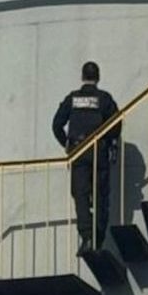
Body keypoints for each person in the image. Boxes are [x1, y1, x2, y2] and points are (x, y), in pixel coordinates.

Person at [52, 61, 120, 253]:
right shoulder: (104, 99)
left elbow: (56, 125)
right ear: (98, 78)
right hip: (99, 152)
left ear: (82, 77)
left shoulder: (72, 98)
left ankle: (87, 236)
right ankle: (98, 238)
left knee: (80, 195)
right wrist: (109, 141)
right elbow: (116, 125)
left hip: (79, 151)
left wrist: (67, 144)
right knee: (100, 196)